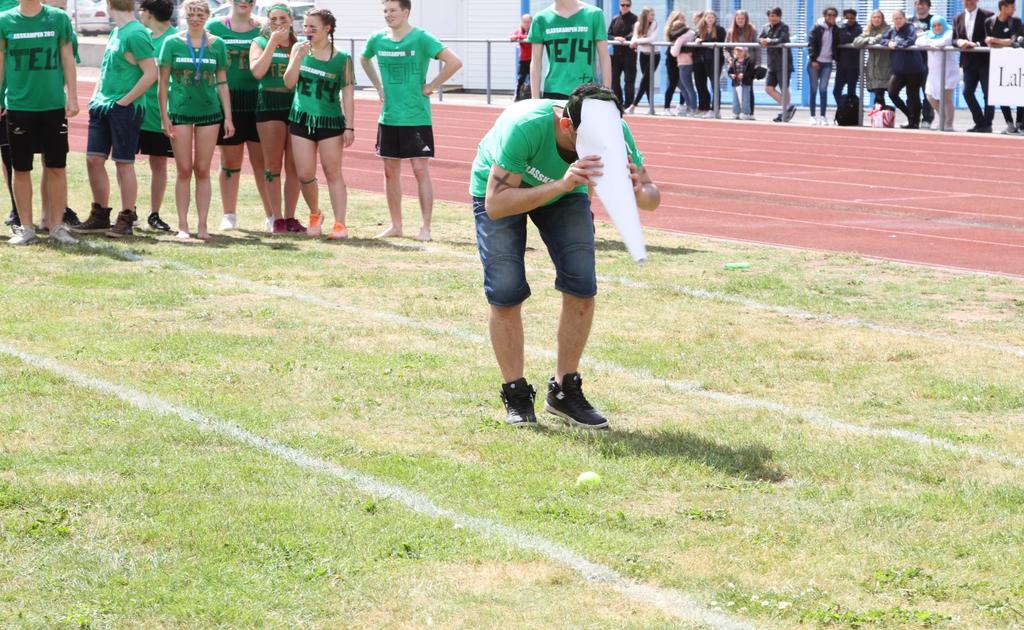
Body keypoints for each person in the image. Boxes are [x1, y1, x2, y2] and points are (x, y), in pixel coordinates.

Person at [468, 84, 659, 428]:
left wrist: (639, 189)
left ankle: (564, 390)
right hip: (502, 192)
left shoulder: (615, 130)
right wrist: (561, 184)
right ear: (566, 126)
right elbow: (496, 205)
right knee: (506, 291)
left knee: (582, 285)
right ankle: (516, 392)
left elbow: (652, 198)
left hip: (564, 196)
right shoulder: (525, 126)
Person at [361, 0, 463, 242]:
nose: (388, 15)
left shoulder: (421, 38)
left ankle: (425, 227)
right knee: (389, 171)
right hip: (389, 117)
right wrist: (378, 86)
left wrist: (432, 86)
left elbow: (455, 62)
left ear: (406, 12)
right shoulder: (377, 39)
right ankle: (396, 225)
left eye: (393, 10)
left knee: (420, 170)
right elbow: (365, 60)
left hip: (417, 116)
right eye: (385, 11)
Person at [0, 0, 78, 245]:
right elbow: (0, 63)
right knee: (21, 168)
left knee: (57, 167)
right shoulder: (4, 20)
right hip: (19, 105)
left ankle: (56, 226)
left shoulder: (58, 18)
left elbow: (67, 57)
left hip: (53, 105)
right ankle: (26, 228)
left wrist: (73, 96)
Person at [77, 0, 157, 239]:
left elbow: (151, 73)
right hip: (102, 106)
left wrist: (124, 101)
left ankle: (126, 217)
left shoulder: (137, 33)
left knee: (123, 163)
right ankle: (100, 215)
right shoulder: (116, 31)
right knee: (93, 160)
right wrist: (95, 97)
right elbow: (105, 69)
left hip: (124, 108)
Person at [158, 0, 232, 240]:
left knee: (202, 169)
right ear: (184, 15)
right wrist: (164, 115)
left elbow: (222, 82)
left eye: (200, 14)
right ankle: (182, 225)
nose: (196, 18)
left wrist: (228, 117)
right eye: (191, 13)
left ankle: (202, 225)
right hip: (180, 112)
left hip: (210, 113)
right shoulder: (172, 43)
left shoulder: (217, 45)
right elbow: (162, 84)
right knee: (183, 170)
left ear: (208, 16)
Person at [284, 8, 354, 239]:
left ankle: (341, 224)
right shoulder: (298, 49)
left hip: (330, 121)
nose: (307, 31)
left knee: (333, 172)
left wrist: (349, 126)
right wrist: (297, 58)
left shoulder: (342, 58)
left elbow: (348, 94)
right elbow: (288, 82)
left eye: (313, 27)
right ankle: (315, 213)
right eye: (305, 26)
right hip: (301, 118)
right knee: (304, 173)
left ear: (327, 29)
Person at [207, 0, 272, 231]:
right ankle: (229, 214)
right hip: (228, 101)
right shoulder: (214, 27)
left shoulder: (265, 28)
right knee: (230, 160)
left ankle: (272, 215)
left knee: (262, 162)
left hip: (258, 101)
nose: (244, 2)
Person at [249, 3, 301, 234]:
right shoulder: (259, 42)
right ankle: (276, 217)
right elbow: (258, 72)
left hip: (296, 105)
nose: (278, 23)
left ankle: (290, 216)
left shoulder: (298, 45)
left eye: (283, 18)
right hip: (269, 104)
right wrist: (272, 42)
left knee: (295, 166)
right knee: (272, 164)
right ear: (267, 22)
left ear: (290, 19)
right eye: (273, 19)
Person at [135, 0, 176, 232]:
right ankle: (128, 211)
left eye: (142, 10)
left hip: (159, 112)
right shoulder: (141, 36)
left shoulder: (174, 39)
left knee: (158, 163)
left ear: (148, 13)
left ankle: (154, 214)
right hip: (135, 109)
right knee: (125, 162)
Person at [528, 0, 610, 100]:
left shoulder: (594, 14)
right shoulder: (540, 19)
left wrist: (607, 92)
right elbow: (536, 61)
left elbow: (604, 56)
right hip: (554, 90)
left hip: (586, 90)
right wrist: (535, 98)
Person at [880, 10, 928, 129]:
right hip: (899, 70)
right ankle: (910, 116)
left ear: (904, 19)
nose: (898, 21)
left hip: (914, 69)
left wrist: (896, 44)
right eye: (895, 18)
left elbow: (910, 41)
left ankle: (915, 121)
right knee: (892, 93)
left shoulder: (910, 28)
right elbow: (882, 40)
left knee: (912, 95)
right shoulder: (891, 30)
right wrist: (888, 43)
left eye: (900, 18)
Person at [952, 0, 994, 132]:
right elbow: (953, 38)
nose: (969, 2)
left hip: (985, 61)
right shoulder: (957, 18)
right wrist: (959, 41)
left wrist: (976, 44)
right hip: (968, 62)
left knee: (988, 94)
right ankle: (979, 122)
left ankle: (987, 125)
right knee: (967, 92)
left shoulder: (988, 15)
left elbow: (991, 37)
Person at [984, 0, 1024, 134]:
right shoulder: (989, 22)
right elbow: (988, 43)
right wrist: (1000, 42)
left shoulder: (1016, 21)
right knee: (1000, 93)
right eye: (1012, 7)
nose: (1014, 9)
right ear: (1003, 7)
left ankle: (1020, 123)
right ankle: (1009, 124)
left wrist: (995, 40)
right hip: (997, 64)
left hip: (1017, 63)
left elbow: (1013, 41)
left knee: (1019, 92)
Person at [918, 15, 958, 131]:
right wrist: (932, 41)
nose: (937, 27)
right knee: (930, 97)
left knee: (946, 98)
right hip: (933, 73)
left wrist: (930, 42)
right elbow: (918, 41)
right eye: (934, 25)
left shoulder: (950, 32)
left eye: (939, 25)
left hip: (948, 72)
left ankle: (949, 124)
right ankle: (943, 119)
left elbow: (944, 41)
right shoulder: (930, 33)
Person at [759, 7, 795, 122]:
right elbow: (759, 38)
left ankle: (785, 111)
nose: (773, 18)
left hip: (783, 62)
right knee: (768, 88)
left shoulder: (784, 27)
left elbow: (783, 39)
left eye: (775, 15)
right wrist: (761, 41)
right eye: (771, 15)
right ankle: (788, 107)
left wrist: (768, 41)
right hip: (771, 64)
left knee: (784, 87)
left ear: (779, 16)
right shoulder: (766, 27)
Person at [853, 10, 893, 108]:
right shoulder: (868, 30)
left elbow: (879, 38)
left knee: (882, 93)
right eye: (874, 17)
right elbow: (856, 42)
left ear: (882, 19)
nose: (876, 19)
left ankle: (880, 117)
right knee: (878, 94)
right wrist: (868, 39)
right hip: (872, 66)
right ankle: (879, 118)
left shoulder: (888, 29)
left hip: (885, 65)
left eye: (879, 17)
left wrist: (871, 40)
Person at [806, 7, 838, 126]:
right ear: (824, 16)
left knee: (823, 89)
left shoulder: (836, 29)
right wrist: (813, 59)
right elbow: (811, 44)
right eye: (829, 15)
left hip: (827, 63)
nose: (831, 17)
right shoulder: (816, 28)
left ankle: (823, 116)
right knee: (813, 89)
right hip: (814, 63)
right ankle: (812, 116)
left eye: (834, 15)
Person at [693, 11, 725, 118]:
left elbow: (720, 42)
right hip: (703, 60)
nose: (710, 19)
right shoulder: (701, 29)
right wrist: (697, 39)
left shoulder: (720, 30)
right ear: (705, 18)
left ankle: (715, 109)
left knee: (714, 84)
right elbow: (696, 39)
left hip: (715, 60)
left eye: (712, 17)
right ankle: (704, 107)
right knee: (700, 83)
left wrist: (704, 41)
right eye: (708, 17)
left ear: (715, 19)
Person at [626, 6, 658, 114]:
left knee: (645, 80)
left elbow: (652, 39)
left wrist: (637, 41)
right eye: (651, 15)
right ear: (645, 15)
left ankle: (633, 105)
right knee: (647, 82)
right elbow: (634, 38)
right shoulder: (638, 24)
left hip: (654, 55)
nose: (653, 17)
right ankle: (651, 107)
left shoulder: (654, 24)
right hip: (643, 55)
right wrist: (635, 41)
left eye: (653, 15)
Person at [607, 0, 637, 108]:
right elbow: (608, 35)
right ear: (619, 6)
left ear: (630, 6)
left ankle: (628, 104)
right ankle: (618, 102)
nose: (624, 7)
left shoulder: (635, 19)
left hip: (629, 55)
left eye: (627, 5)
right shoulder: (615, 19)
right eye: (622, 5)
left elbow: (635, 34)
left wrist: (624, 39)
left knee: (629, 81)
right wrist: (615, 38)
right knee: (614, 80)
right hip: (616, 55)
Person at [912, 0, 935, 126]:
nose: (920, 6)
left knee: (927, 92)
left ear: (928, 6)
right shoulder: (910, 21)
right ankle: (914, 118)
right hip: (912, 62)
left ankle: (927, 119)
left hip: (928, 62)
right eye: (918, 4)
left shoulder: (934, 20)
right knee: (912, 92)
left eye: (923, 4)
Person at [669, 13, 698, 116]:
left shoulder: (681, 37)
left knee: (688, 86)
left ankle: (693, 108)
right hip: (684, 62)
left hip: (685, 63)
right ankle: (690, 106)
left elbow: (674, 52)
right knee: (683, 85)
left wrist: (672, 47)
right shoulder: (690, 33)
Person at [833, 9, 862, 107]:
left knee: (851, 92)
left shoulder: (858, 29)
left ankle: (851, 114)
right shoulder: (841, 28)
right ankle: (843, 109)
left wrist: (844, 31)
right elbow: (839, 40)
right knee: (836, 91)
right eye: (847, 18)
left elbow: (847, 39)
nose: (849, 20)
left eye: (852, 18)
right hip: (841, 66)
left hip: (853, 66)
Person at [663, 11, 685, 115]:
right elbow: (672, 37)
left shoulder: (685, 29)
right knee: (672, 83)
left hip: (683, 58)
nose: (682, 20)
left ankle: (682, 105)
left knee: (684, 83)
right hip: (672, 59)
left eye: (682, 18)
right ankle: (666, 107)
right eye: (679, 18)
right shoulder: (671, 30)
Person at [510, 13, 532, 101]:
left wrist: (519, 38)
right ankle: (517, 96)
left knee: (533, 79)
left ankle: (532, 97)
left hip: (533, 59)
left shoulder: (533, 29)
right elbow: (511, 37)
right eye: (524, 22)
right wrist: (519, 37)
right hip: (523, 60)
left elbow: (531, 37)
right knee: (521, 79)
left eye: (528, 22)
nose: (526, 24)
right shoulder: (519, 30)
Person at [728, 46, 754, 119]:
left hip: (746, 83)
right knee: (735, 99)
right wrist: (731, 75)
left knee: (746, 99)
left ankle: (746, 113)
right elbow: (729, 71)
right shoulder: (734, 61)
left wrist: (744, 75)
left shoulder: (749, 61)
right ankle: (736, 112)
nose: (738, 53)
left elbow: (751, 72)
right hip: (736, 83)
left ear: (745, 52)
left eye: (740, 51)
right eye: (737, 51)